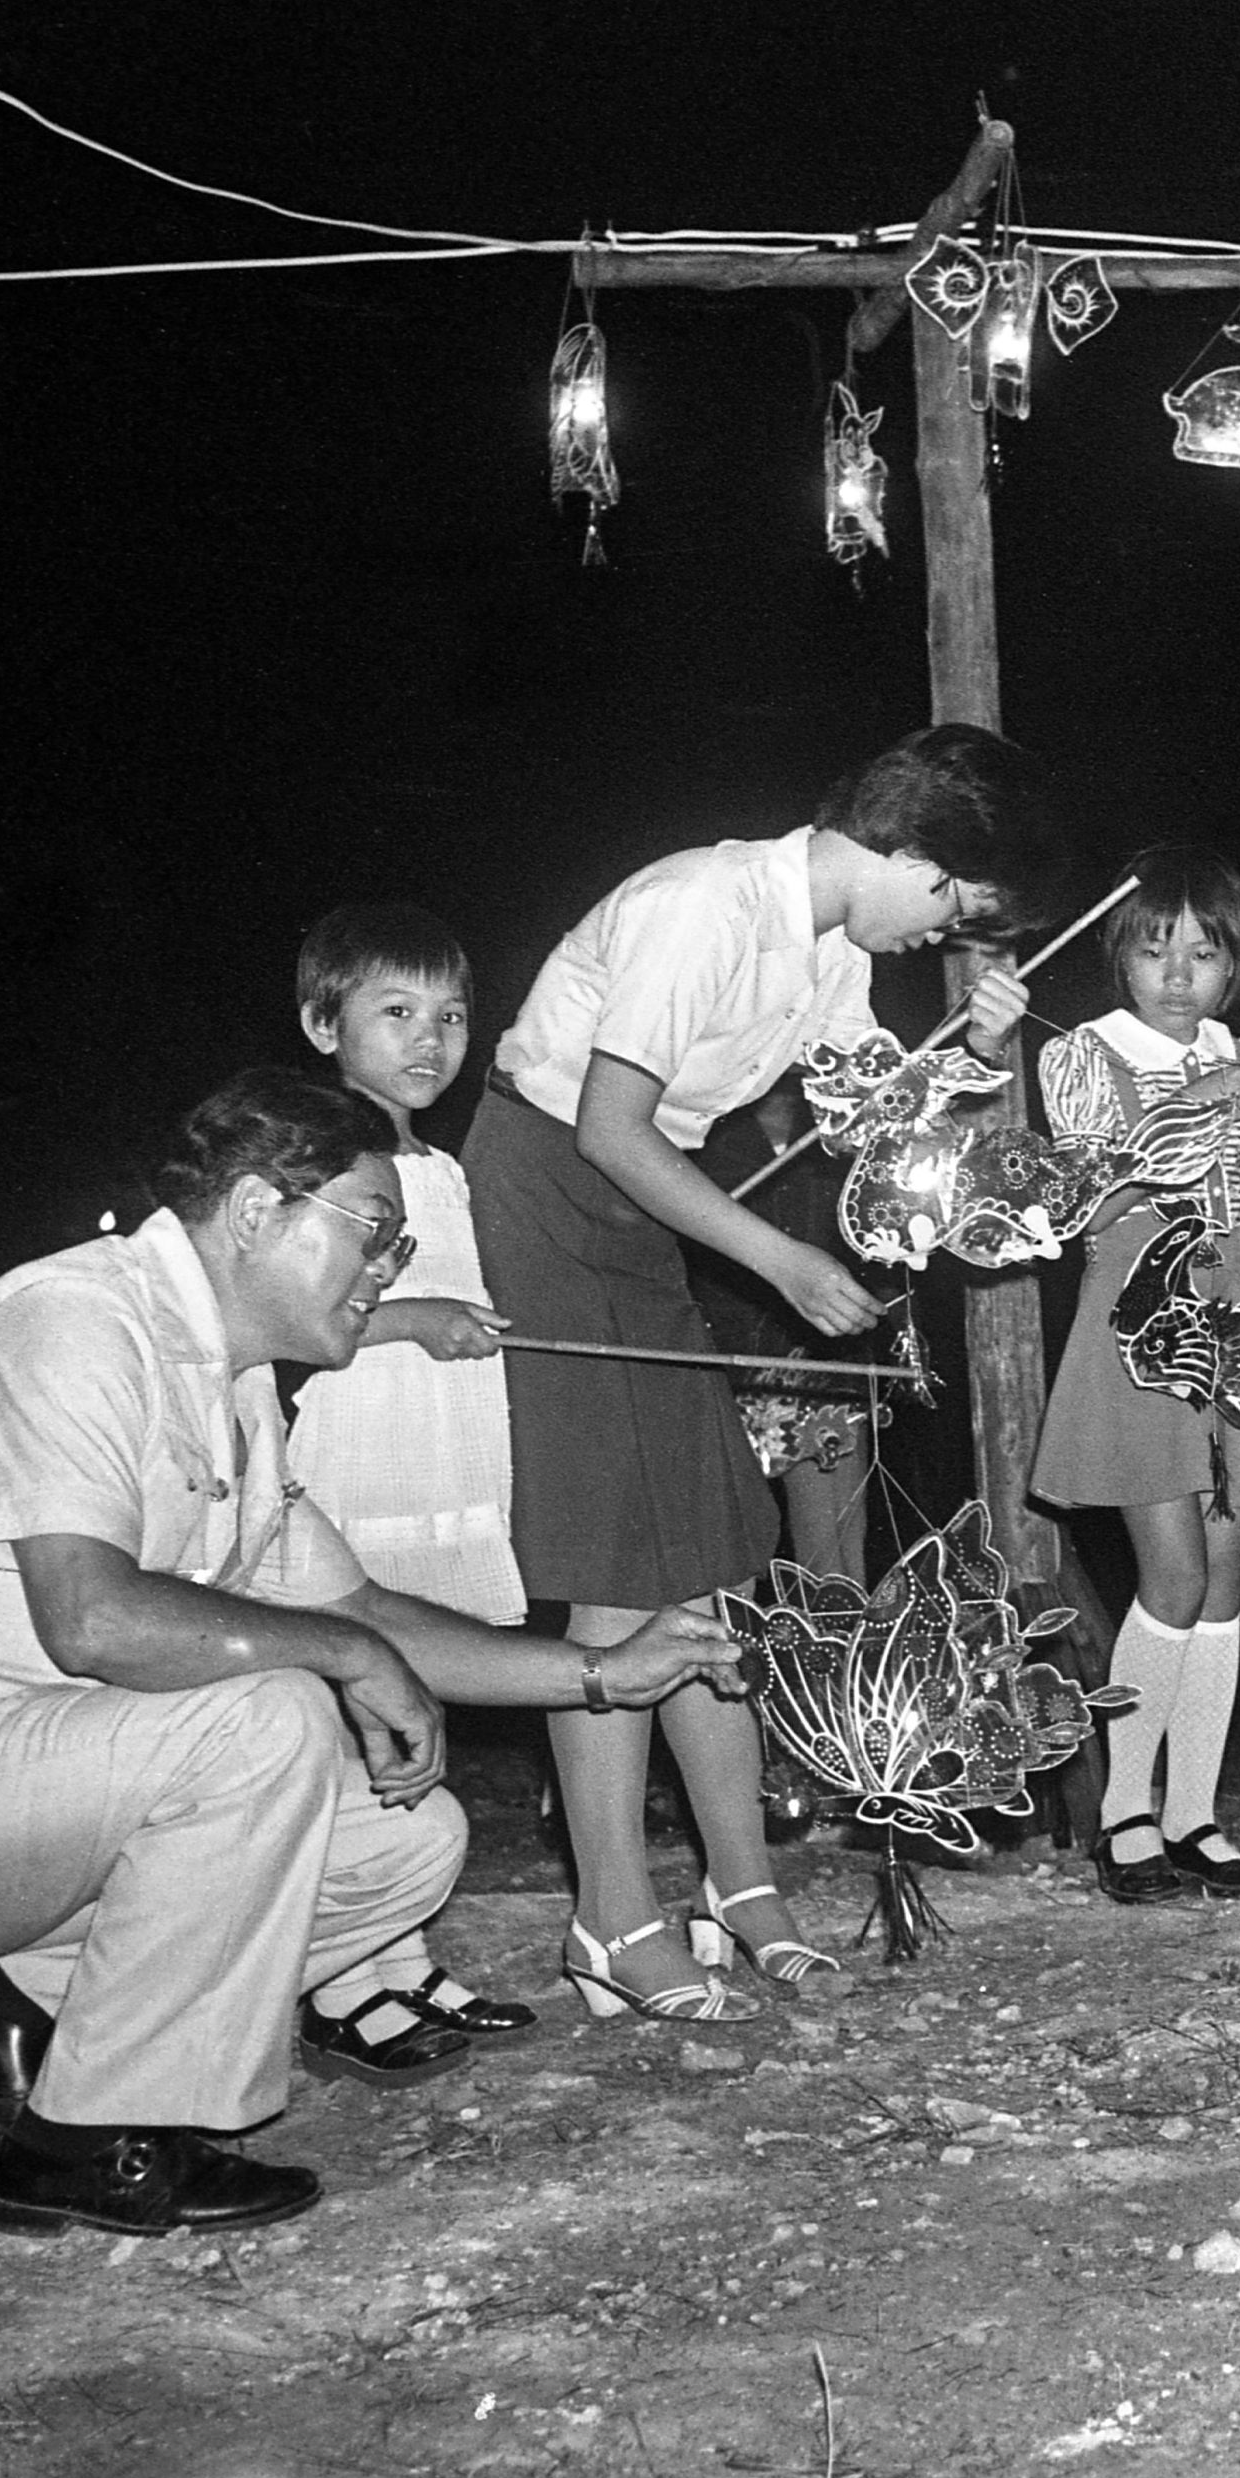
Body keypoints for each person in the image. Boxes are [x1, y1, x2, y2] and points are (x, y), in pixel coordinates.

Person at [0, 1070, 736, 2239]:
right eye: (373, 1232)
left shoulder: (239, 1391)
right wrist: (346, 1657)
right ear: (261, 1209)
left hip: (21, 1801)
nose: (389, 1269)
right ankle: (89, 2143)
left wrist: (604, 1673)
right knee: (269, 1717)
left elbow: (364, 1607)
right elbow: (93, 1618)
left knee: (406, 1843)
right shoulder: (74, 1319)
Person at [471, 728, 1062, 2020]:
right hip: (550, 1188)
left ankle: (740, 1886)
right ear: (910, 854)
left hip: (643, 1203)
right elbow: (606, 1125)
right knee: (616, 1572)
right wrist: (781, 1262)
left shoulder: (835, 950)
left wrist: (970, 1052)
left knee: (712, 1554)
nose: (944, 932)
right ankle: (609, 1917)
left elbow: (867, 1120)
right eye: (952, 906)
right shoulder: (707, 904)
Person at [1028, 846, 1240, 1904]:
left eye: (1203, 954)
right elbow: (1090, 1192)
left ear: (1232, 965)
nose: (1178, 974)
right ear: (1121, 956)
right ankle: (1124, 1819)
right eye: (1155, 950)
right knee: (1168, 1575)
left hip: (1234, 1319)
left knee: (1220, 1576)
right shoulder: (1081, 1053)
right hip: (1138, 1318)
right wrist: (1198, 1099)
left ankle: (1194, 1819)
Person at [280, 904, 536, 2079]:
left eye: (451, 1016)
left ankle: (405, 1953)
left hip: (444, 1445)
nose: (430, 1040)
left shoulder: (443, 1166)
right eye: (396, 1012)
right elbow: (294, 1315)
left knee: (417, 1698)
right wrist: (412, 1317)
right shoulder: (313, 1155)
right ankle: (340, 1975)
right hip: (361, 1441)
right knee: (355, 1705)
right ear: (322, 1023)